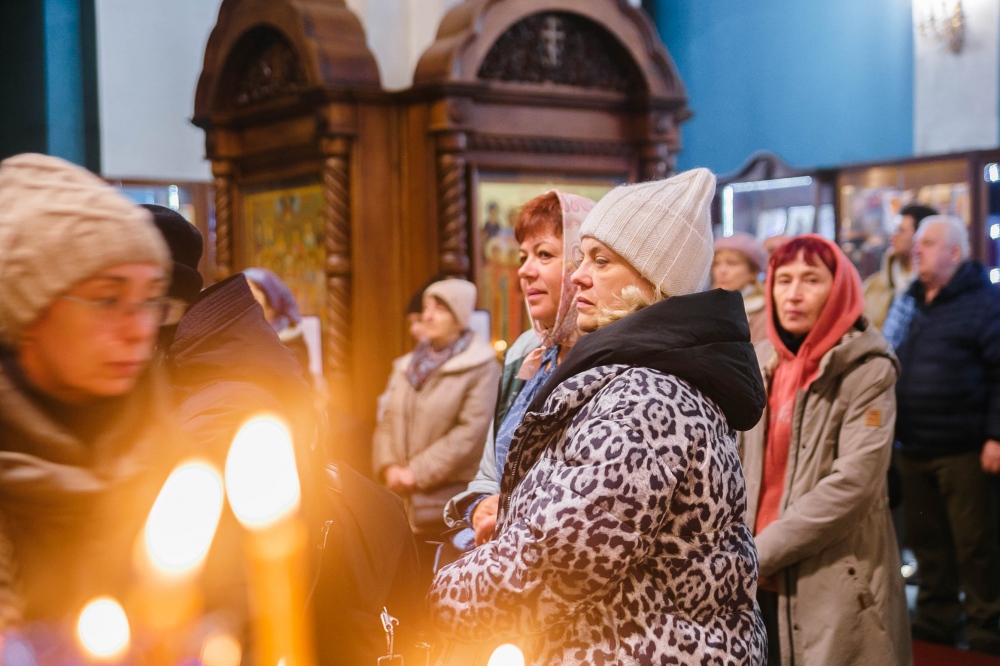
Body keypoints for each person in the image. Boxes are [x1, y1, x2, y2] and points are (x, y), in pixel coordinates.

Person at [428, 169, 767, 664]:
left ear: (654, 280)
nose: (578, 275)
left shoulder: (646, 400)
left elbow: (553, 560)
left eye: (601, 261)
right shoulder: (633, 376)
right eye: (581, 257)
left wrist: (437, 595)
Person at [0, 154, 181, 630]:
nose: (140, 329)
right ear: (32, 307)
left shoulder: (169, 451)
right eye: (108, 299)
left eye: (151, 299)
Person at [738, 235, 910, 666]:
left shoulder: (867, 368)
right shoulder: (760, 360)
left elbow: (853, 485)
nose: (793, 294)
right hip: (748, 572)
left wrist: (755, 554)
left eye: (811, 280)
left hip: (831, 574)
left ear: (838, 290)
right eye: (783, 280)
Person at [444, 191, 594, 552]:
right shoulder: (526, 351)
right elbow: (488, 473)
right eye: (523, 257)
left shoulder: (609, 358)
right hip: (495, 553)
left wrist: (515, 512)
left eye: (544, 255)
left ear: (581, 264)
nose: (524, 271)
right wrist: (482, 506)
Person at [885, 216, 1000, 654]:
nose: (917, 250)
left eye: (929, 243)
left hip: (965, 449)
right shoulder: (910, 301)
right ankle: (936, 623)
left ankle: (987, 629)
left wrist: (996, 436)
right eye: (916, 243)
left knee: (976, 546)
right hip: (913, 446)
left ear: (955, 252)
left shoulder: (984, 303)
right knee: (928, 543)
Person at [372, 279, 500, 576]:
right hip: (398, 502)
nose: (427, 315)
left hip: (444, 507)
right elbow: (387, 418)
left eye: (439, 309)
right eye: (427, 307)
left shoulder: (482, 367)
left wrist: (416, 473)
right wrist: (389, 466)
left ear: (459, 316)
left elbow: (471, 432)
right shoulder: (407, 366)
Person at [862, 203, 938, 330]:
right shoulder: (874, 286)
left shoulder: (933, 290)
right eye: (894, 230)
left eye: (901, 230)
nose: (893, 236)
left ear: (920, 236)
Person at [243, 267, 312, 381]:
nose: (247, 307)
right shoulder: (246, 339)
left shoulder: (291, 346)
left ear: (272, 303)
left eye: (254, 299)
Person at [712, 231, 770, 343]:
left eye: (732, 263)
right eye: (716, 263)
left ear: (753, 272)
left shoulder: (763, 311)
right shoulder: (708, 306)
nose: (722, 271)